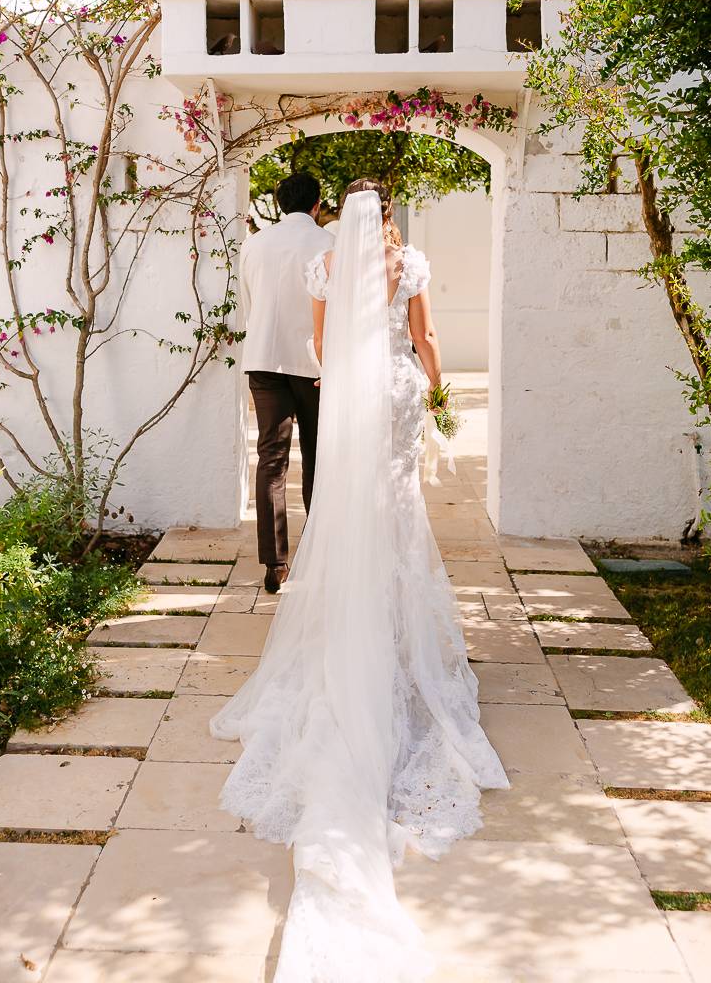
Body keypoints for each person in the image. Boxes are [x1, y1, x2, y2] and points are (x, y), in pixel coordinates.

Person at [212, 179, 508, 982]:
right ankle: (400, 634)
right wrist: (437, 391)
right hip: (399, 391)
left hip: (350, 394)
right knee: (399, 509)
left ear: (338, 218)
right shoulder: (409, 264)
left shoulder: (326, 268)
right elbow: (427, 336)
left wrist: (345, 379)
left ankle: (352, 614)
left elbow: (318, 349)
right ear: (390, 219)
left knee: (348, 506)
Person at [239, 171, 334, 594]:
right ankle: (315, 555)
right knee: (318, 457)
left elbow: (248, 303)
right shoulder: (329, 243)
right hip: (314, 365)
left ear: (280, 204)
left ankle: (275, 563)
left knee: (271, 460)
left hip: (264, 358)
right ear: (317, 204)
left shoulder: (254, 244)